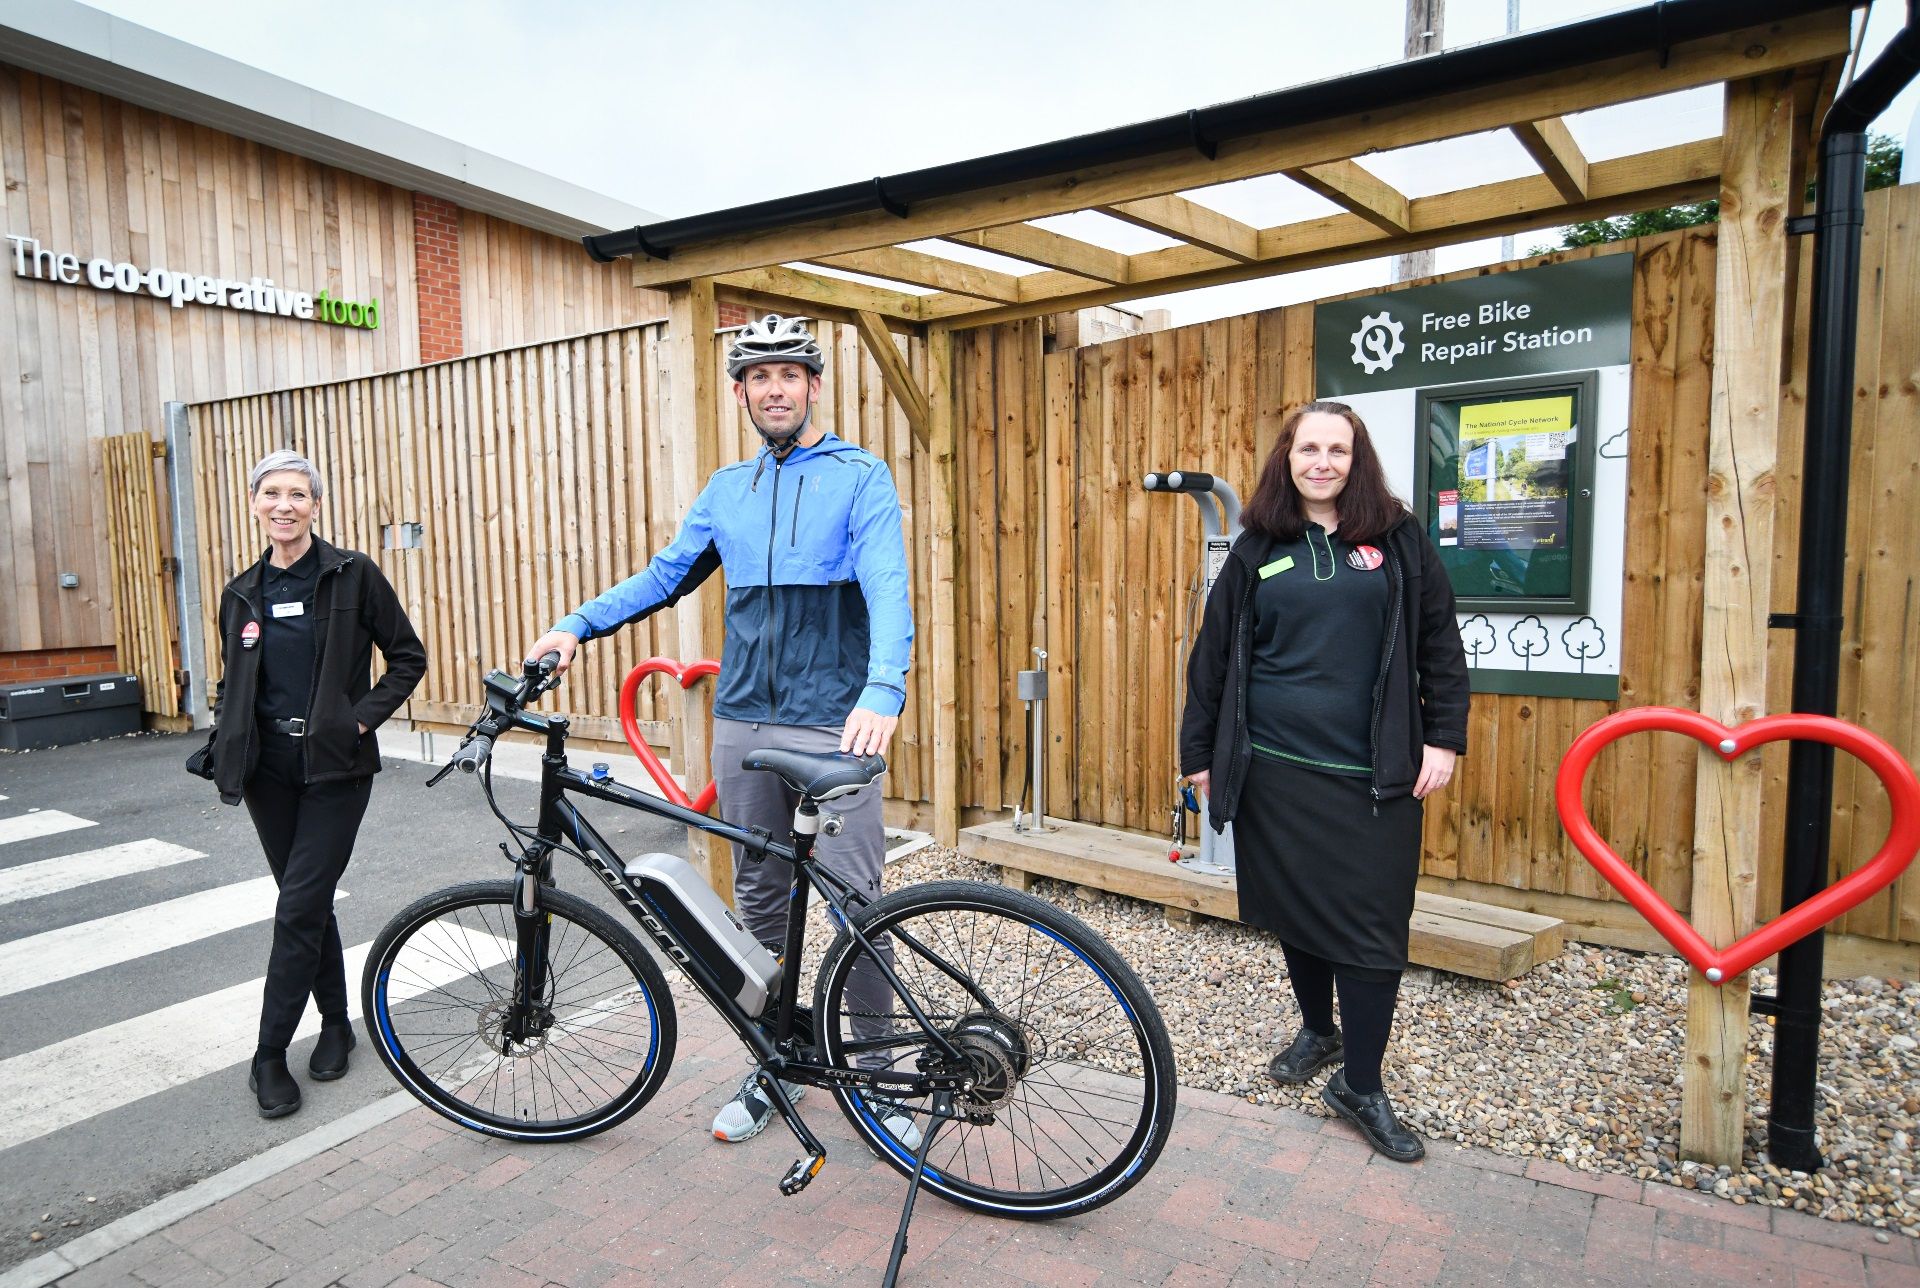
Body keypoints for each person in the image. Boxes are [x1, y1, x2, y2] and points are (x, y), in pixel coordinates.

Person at [523, 313, 916, 1146]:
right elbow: (667, 576)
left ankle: (881, 1081)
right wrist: (576, 625)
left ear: (813, 386)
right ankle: (776, 1060)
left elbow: (886, 585)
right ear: (742, 393)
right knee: (761, 900)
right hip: (742, 720)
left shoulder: (860, 475)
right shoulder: (725, 489)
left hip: (833, 724)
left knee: (855, 905)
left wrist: (883, 689)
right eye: (759, 377)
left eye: (789, 375)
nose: (774, 389)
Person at [1179, 401, 1467, 1162]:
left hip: (1375, 775)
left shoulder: (1398, 539)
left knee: (1373, 930)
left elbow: (1442, 639)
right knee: (1296, 910)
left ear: (1356, 459)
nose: (1323, 462)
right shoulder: (1257, 547)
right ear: (1289, 456)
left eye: (1338, 449)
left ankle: (1360, 1085)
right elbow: (1211, 662)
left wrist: (1444, 737)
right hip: (1274, 771)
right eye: (1310, 448)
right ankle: (1319, 1030)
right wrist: (1199, 756)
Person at [187, 450, 426, 1118]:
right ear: (256, 504)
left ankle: (267, 1056)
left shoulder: (352, 575)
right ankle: (337, 1023)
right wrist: (226, 740)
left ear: (315, 505)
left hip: (335, 769)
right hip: (268, 772)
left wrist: (358, 722)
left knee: (296, 907)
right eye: (272, 493)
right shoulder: (241, 592)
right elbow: (236, 680)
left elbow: (408, 657)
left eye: (297, 494)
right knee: (306, 902)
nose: (284, 505)